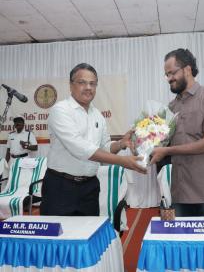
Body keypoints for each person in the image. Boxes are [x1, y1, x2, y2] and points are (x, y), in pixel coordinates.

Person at [40, 63, 146, 216]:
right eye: (82, 82)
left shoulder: (98, 115)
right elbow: (79, 148)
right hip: (60, 186)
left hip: (89, 187)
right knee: (60, 237)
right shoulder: (61, 110)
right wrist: (124, 162)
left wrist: (121, 144)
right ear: (71, 85)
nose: (88, 87)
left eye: (92, 83)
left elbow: (104, 146)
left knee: (88, 234)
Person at [150, 48, 204, 217]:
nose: (169, 79)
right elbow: (157, 142)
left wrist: (167, 151)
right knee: (183, 242)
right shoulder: (171, 107)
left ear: (187, 69)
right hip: (181, 191)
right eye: (166, 75)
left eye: (172, 73)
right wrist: (137, 140)